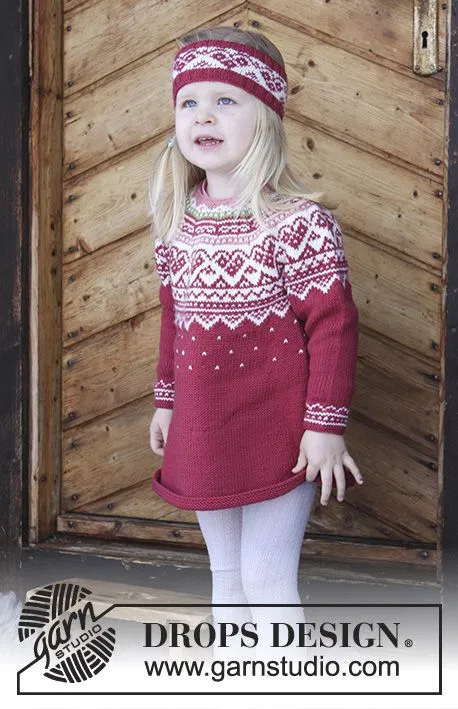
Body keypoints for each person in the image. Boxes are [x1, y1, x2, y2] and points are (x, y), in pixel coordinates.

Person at [148, 27, 363, 661]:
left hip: (280, 431)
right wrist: (166, 400)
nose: (203, 116)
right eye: (189, 103)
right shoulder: (178, 223)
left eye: (226, 101)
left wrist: (324, 426)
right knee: (226, 575)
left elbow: (333, 326)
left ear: (265, 118)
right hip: (204, 428)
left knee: (267, 577)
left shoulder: (298, 224)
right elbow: (174, 318)